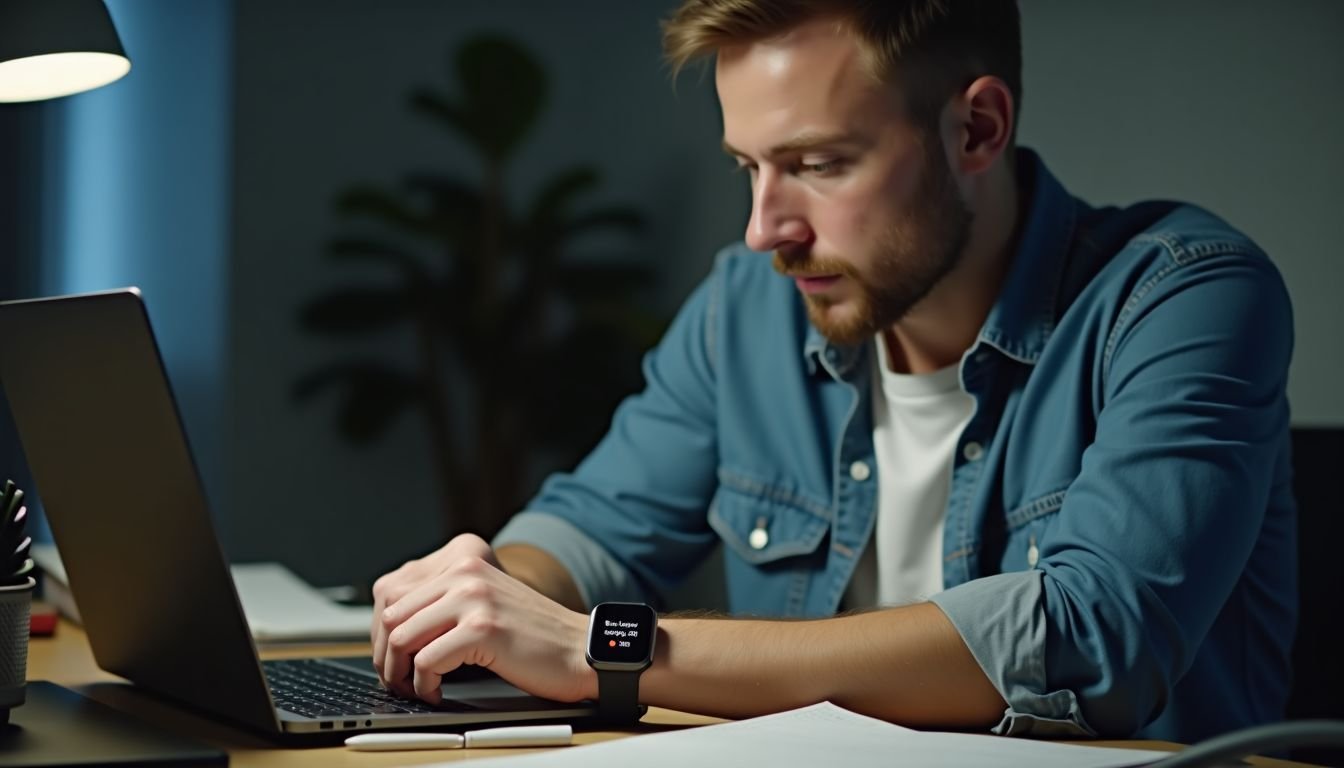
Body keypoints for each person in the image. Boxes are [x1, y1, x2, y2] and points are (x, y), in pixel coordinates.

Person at [370, 0, 1296, 742]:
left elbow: (1095, 636)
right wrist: (483, 592)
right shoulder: (747, 306)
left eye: (816, 164)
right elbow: (592, 530)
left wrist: (608, 651)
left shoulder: (1184, 294)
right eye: (749, 168)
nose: (766, 229)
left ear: (976, 128)